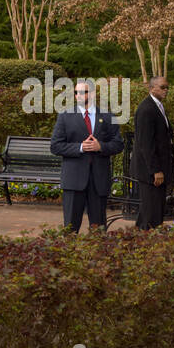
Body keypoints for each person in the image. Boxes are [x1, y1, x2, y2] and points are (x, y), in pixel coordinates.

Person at [50, 77, 124, 233]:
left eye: (82, 92)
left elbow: (118, 144)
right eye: (76, 92)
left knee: (98, 229)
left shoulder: (108, 116)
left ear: (92, 94)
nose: (78, 95)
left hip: (98, 180)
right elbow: (56, 146)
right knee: (70, 228)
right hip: (73, 179)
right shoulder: (65, 116)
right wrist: (80, 147)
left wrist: (100, 146)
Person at [131, 75, 174, 230]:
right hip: (151, 173)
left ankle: (141, 241)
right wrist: (156, 170)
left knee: (151, 211)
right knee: (152, 214)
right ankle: (148, 246)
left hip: (157, 170)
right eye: (162, 87)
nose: (166, 90)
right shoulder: (146, 109)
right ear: (151, 88)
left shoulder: (157, 106)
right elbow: (146, 144)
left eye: (167, 87)